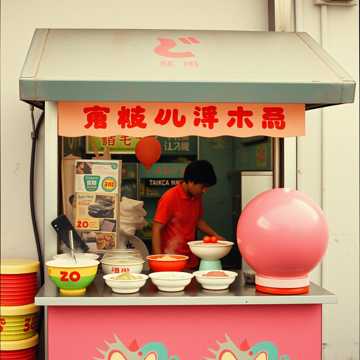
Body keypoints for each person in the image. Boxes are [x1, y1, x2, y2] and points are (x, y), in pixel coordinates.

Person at [152, 160, 224, 268]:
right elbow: (156, 228)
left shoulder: (197, 196)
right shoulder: (169, 197)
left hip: (191, 258)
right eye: (202, 186)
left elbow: (198, 221)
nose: (205, 191)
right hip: (171, 259)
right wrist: (159, 259)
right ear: (191, 181)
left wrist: (215, 235)